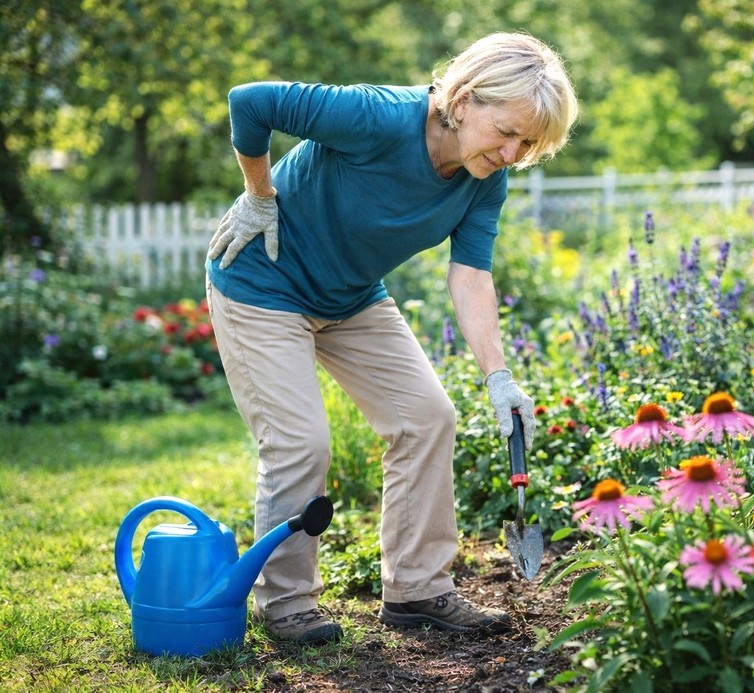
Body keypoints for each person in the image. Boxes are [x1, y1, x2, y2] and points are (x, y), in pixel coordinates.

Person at [204, 32, 578, 645]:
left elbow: (472, 276)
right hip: (261, 284)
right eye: (506, 131)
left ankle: (417, 589)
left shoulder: (484, 180)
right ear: (463, 101)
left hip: (349, 296)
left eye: (528, 143)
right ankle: (287, 604)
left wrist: (500, 378)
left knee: (427, 418)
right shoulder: (378, 117)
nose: (512, 152)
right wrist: (257, 193)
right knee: (301, 443)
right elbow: (251, 101)